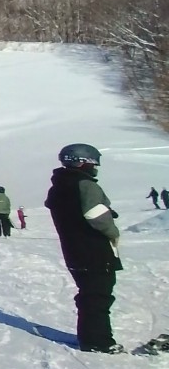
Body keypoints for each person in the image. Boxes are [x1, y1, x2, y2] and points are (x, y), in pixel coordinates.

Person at [44, 143, 124, 353]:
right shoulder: (85, 185)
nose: (95, 167)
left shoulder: (59, 186)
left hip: (73, 250)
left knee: (89, 294)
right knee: (98, 295)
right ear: (82, 162)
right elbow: (95, 215)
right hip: (93, 249)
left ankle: (90, 337)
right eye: (93, 163)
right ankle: (98, 342)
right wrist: (112, 232)